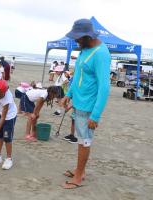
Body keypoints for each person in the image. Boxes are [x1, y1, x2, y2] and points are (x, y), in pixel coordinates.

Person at [60, 18, 111, 189]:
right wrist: (69, 94)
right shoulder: (84, 49)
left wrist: (96, 115)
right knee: (80, 140)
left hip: (89, 108)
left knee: (84, 141)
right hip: (79, 104)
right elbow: (78, 76)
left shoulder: (101, 54)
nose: (76, 40)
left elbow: (104, 87)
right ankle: (79, 170)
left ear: (88, 36)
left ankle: (79, 176)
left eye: (78, 38)